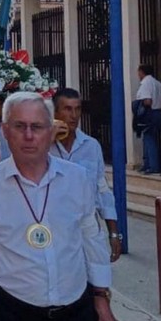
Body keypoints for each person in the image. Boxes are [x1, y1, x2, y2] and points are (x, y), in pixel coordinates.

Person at [0, 92, 116, 321]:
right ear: (5, 130)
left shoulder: (77, 178)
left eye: (37, 127)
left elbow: (91, 238)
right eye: (20, 126)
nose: (29, 136)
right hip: (15, 313)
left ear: (51, 132)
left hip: (76, 311)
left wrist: (101, 295)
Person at [52, 88, 122, 262]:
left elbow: (102, 189)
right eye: (67, 109)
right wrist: (47, 138)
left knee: (98, 283)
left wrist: (114, 233)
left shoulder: (91, 146)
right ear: (55, 112)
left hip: (87, 230)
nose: (74, 115)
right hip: (54, 232)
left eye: (77, 109)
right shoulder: (42, 147)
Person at [133, 65, 161, 174]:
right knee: (149, 138)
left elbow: (147, 101)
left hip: (150, 114)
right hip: (159, 112)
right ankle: (147, 164)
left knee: (149, 139)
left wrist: (139, 108)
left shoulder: (146, 83)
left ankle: (152, 166)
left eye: (138, 72)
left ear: (142, 72)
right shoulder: (158, 83)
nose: (138, 75)